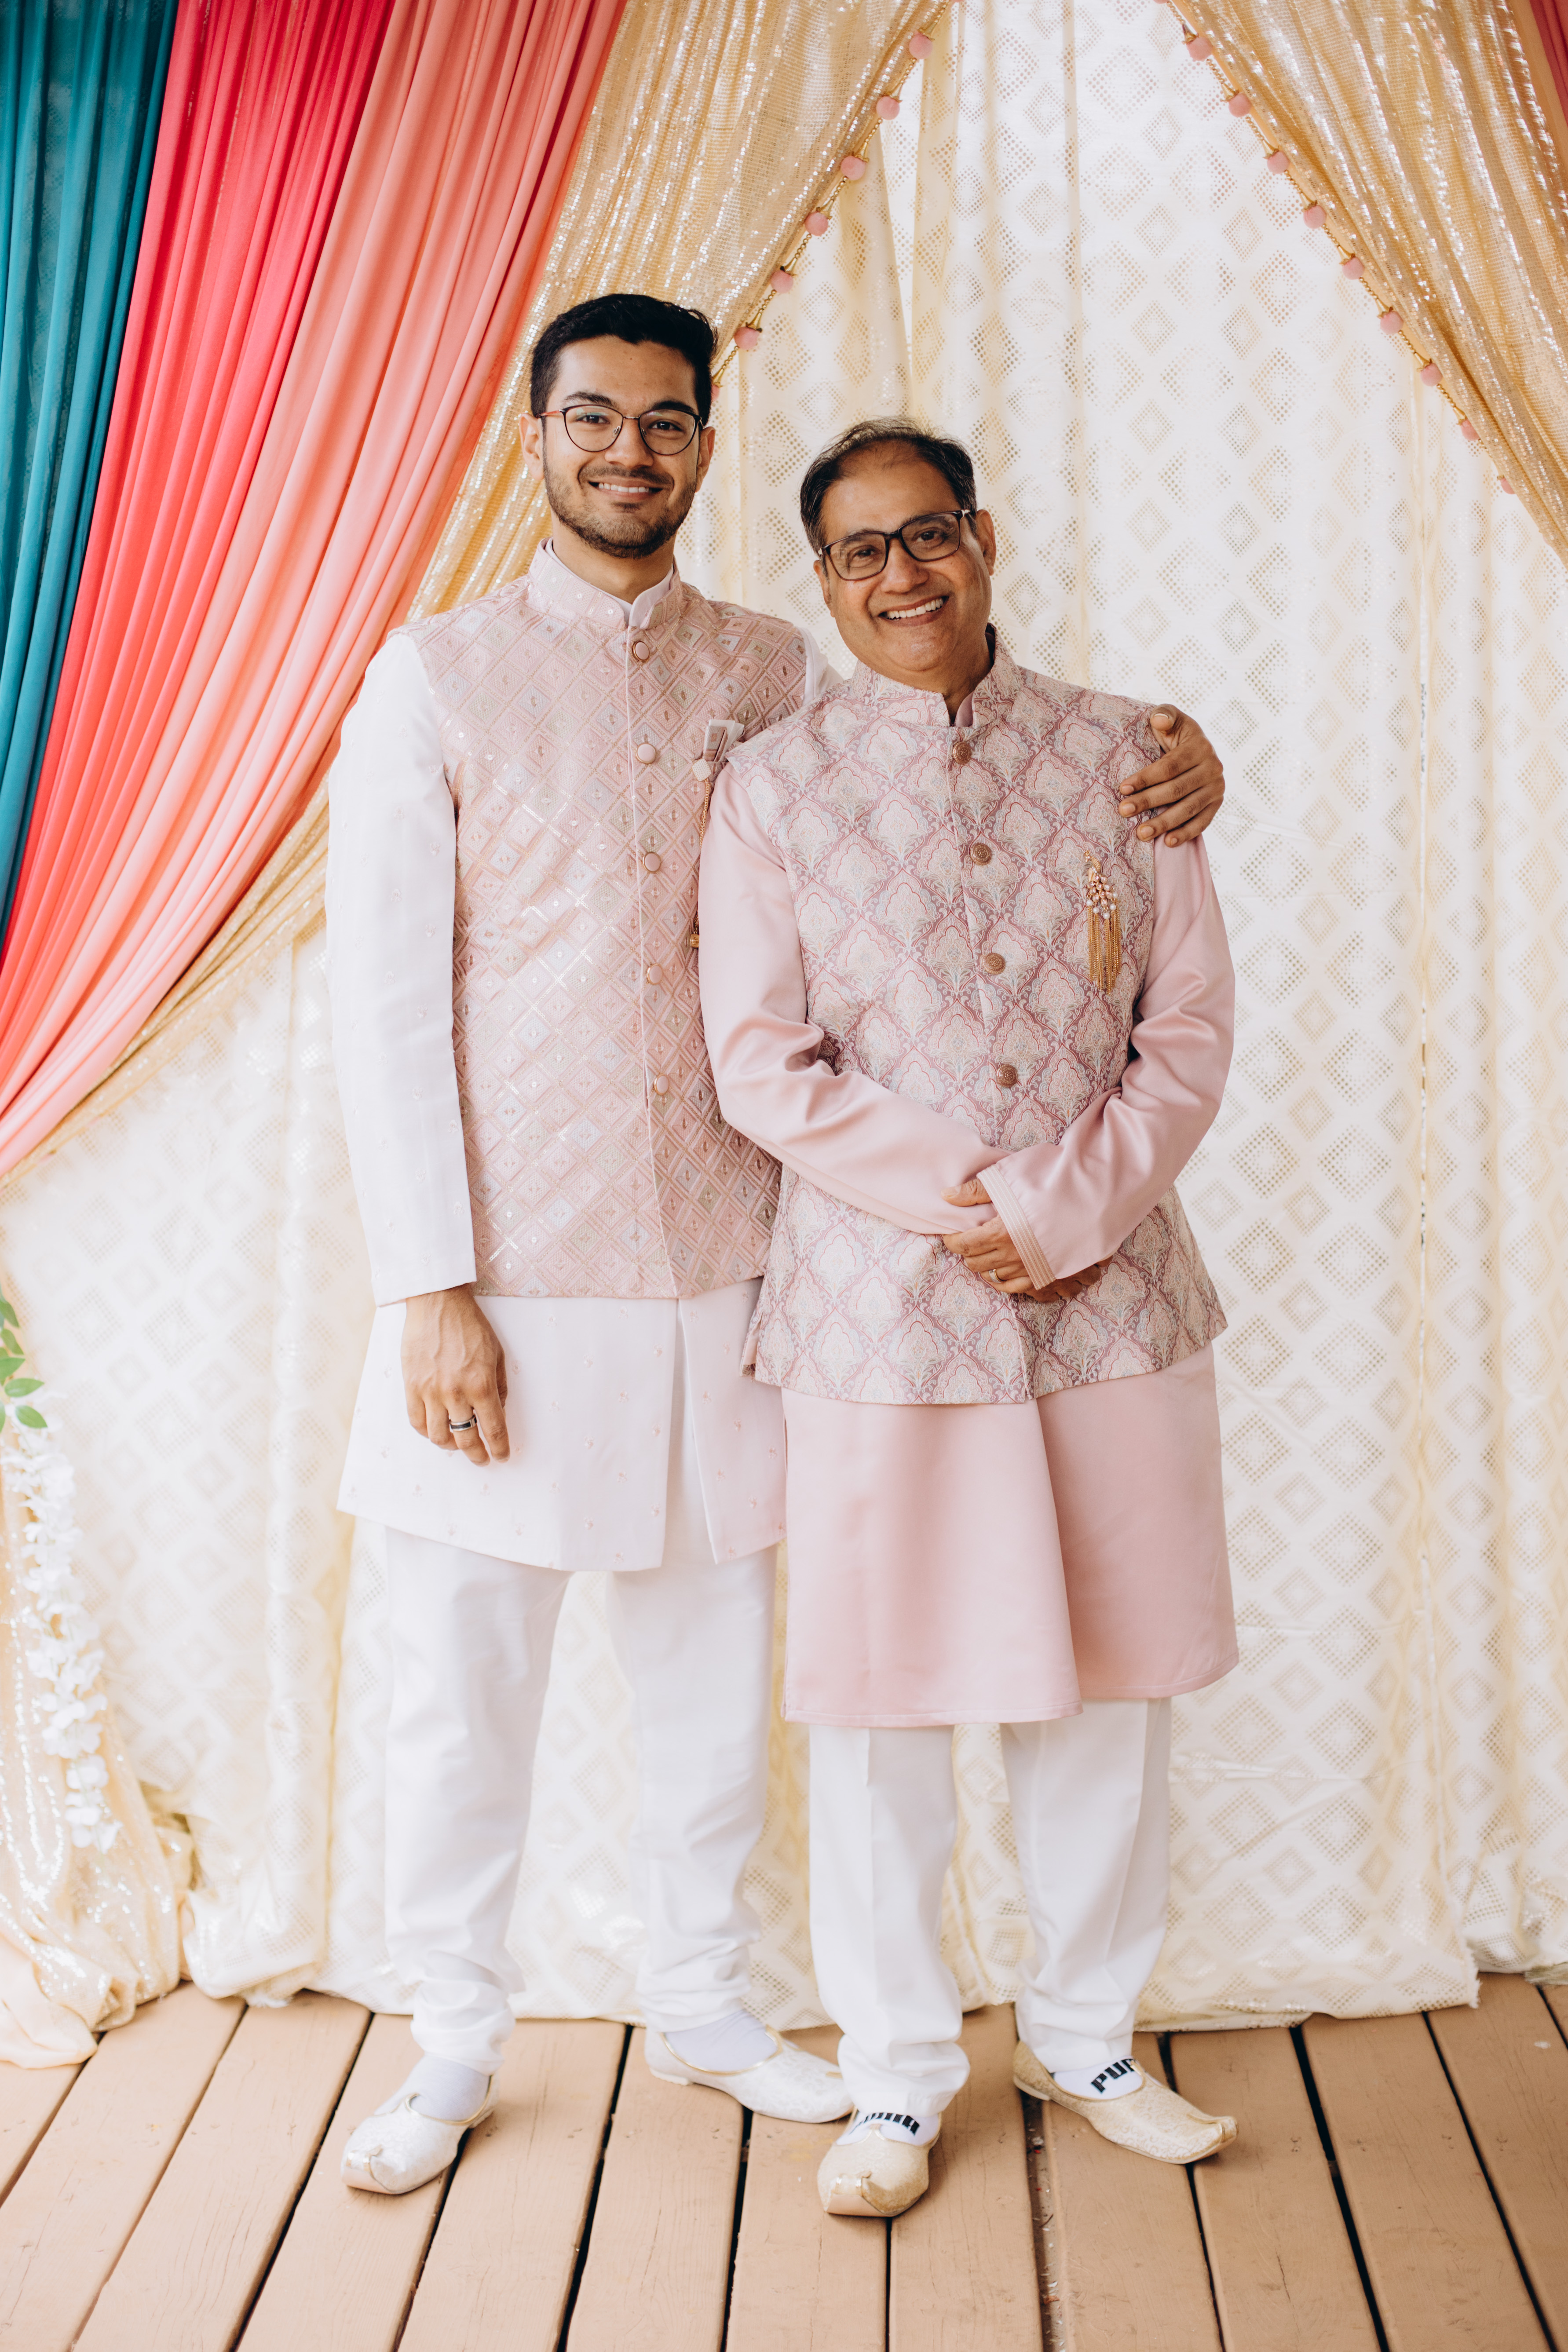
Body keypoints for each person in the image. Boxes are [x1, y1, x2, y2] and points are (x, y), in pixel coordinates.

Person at [326, 294, 1228, 2198]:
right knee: (461, 1674)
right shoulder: (436, 675)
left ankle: (709, 2004)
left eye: (665, 420)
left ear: (706, 447)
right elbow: (384, 1002)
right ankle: (448, 2036)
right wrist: (426, 1283)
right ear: (534, 432)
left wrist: (1188, 767)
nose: (628, 450)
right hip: (515, 1265)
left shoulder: (769, 673)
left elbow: (973, 782)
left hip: (752, 1272)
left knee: (717, 1682)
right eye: (593, 416)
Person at [698, 416, 1239, 2222]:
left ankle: (1088, 2035)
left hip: (1114, 1301)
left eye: (926, 533)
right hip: (879, 1317)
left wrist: (1063, 1207)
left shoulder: (1130, 753)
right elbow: (760, 1060)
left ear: (984, 538)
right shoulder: (771, 790)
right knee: (882, 1702)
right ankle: (896, 2069)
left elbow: (1188, 1028)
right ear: (824, 578)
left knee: (1109, 1690)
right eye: (860, 550)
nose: (901, 573)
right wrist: (973, 1198)